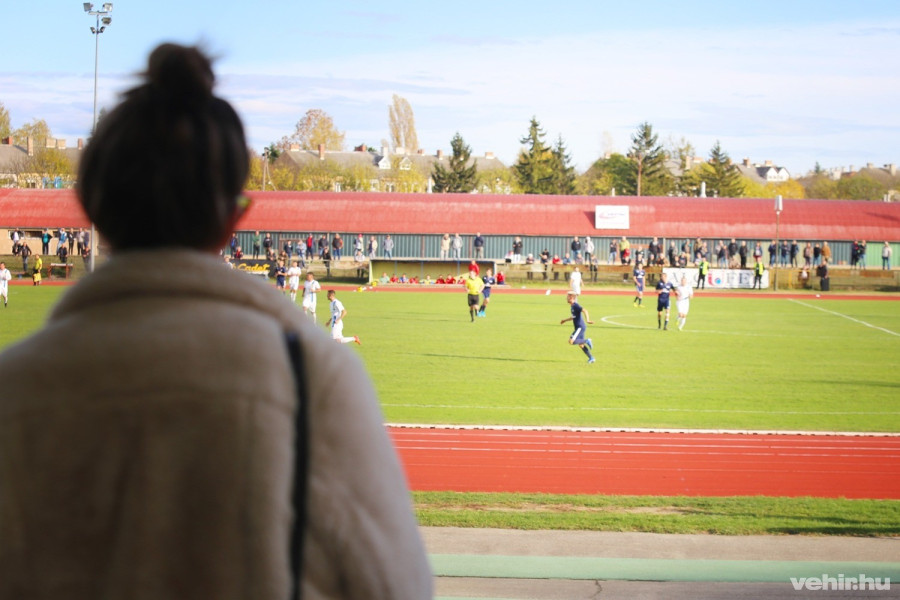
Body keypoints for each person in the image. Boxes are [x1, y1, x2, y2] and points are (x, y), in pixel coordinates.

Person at [0, 44, 430, 600]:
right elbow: (397, 588)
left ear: (92, 209)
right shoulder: (316, 379)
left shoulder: (14, 388)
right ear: (234, 219)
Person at [560, 291, 595, 364]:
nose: (566, 298)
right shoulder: (572, 306)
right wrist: (565, 320)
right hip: (580, 327)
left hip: (580, 327)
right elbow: (573, 317)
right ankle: (591, 358)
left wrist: (588, 320)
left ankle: (587, 340)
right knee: (581, 344)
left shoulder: (576, 305)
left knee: (571, 341)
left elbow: (585, 310)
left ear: (571, 297)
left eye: (568, 297)